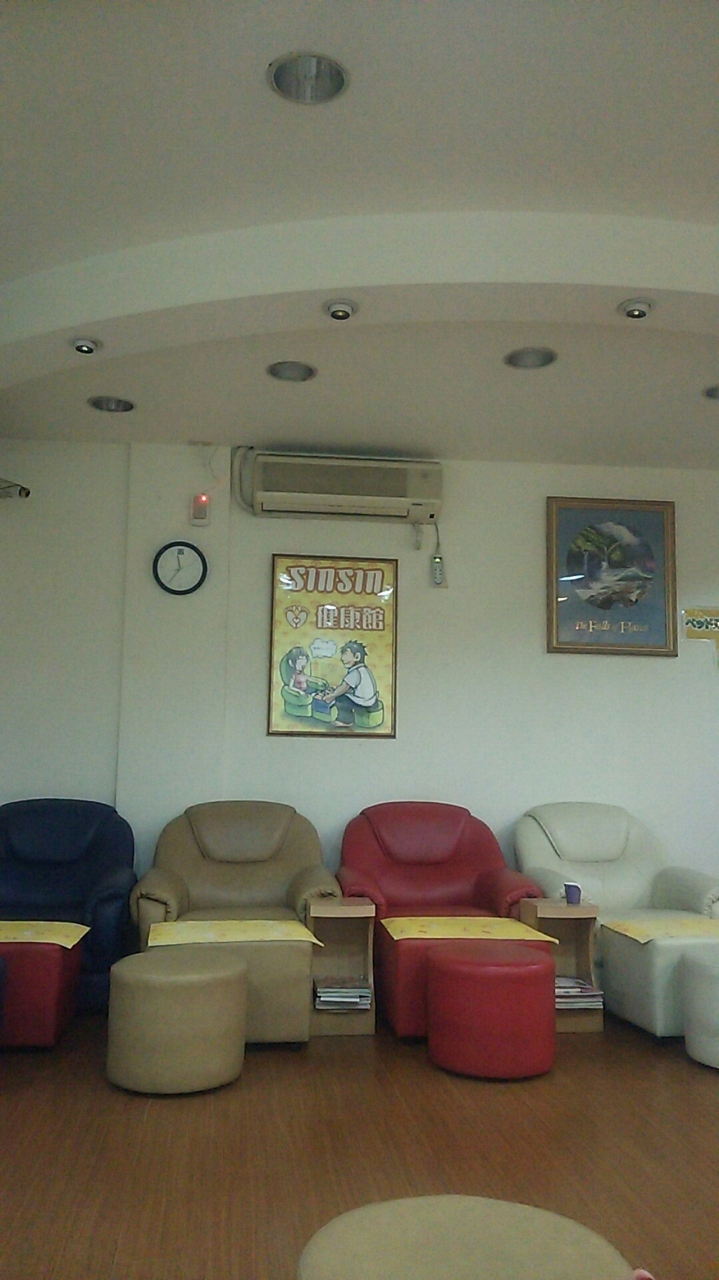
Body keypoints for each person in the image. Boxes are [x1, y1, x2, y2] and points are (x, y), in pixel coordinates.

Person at [321, 639, 379, 725]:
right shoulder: (364, 670)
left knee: (341, 699)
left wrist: (332, 696)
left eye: (346, 654)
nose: (342, 658)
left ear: (357, 657)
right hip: (372, 701)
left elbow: (344, 687)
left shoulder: (355, 672)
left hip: (364, 703)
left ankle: (345, 721)